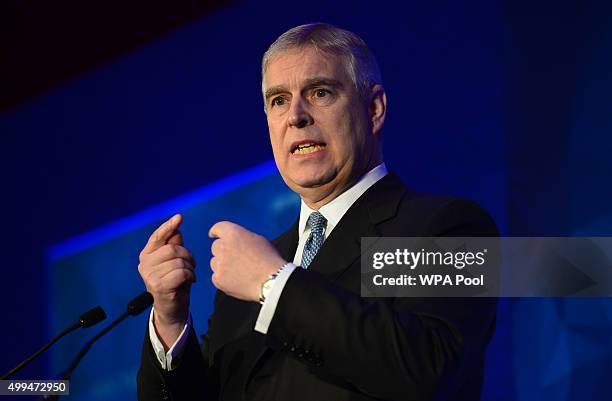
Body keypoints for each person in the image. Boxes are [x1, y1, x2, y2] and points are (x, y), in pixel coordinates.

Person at [136, 23, 498, 401]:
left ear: (374, 109)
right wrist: (170, 319)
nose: (296, 116)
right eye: (278, 100)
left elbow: (429, 369)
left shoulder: (444, 226)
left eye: (320, 92)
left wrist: (274, 283)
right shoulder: (252, 270)